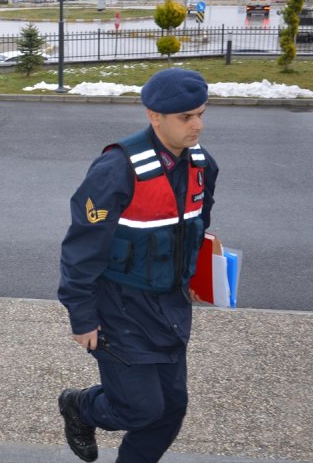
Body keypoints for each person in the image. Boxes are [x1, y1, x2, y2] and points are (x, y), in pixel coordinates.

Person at [57, 68, 219, 463]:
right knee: (141, 409)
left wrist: (200, 276)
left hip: (172, 309)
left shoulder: (202, 165)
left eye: (200, 113)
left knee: (171, 409)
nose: (197, 125)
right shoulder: (117, 169)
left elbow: (198, 228)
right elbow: (81, 249)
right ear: (154, 116)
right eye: (186, 117)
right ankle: (80, 407)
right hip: (120, 308)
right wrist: (82, 316)